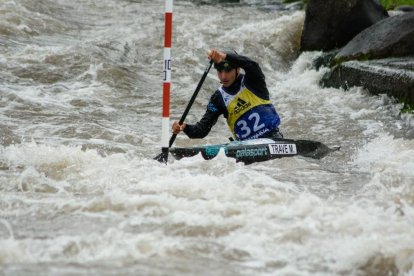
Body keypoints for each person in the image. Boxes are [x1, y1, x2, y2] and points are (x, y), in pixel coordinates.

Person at [172, 49, 282, 141]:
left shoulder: (253, 81)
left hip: (273, 138)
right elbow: (202, 130)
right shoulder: (218, 98)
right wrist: (184, 127)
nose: (223, 76)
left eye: (228, 71)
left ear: (237, 69)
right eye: (220, 71)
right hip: (244, 149)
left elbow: (252, 64)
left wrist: (225, 56)